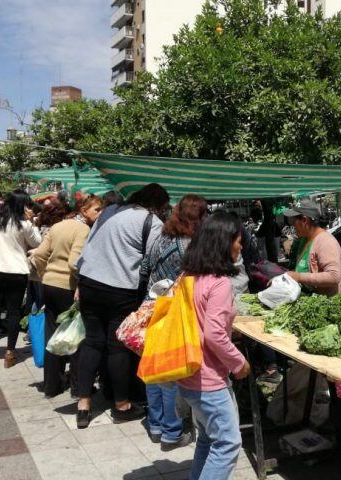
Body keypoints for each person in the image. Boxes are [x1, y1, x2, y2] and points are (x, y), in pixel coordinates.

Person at [75, 183, 170, 429]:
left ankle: (83, 404)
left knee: (92, 341)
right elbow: (151, 261)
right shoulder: (152, 223)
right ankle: (122, 405)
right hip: (120, 289)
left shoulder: (110, 210)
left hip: (88, 282)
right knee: (117, 346)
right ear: (159, 204)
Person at [178, 211, 251, 480]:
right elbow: (215, 334)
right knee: (228, 443)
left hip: (188, 373)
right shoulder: (219, 283)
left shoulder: (188, 276)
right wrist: (239, 362)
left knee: (208, 439)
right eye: (238, 240)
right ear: (223, 242)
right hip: (208, 378)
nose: (240, 246)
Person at [145, 194, 208, 451]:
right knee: (171, 371)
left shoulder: (161, 237)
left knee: (155, 369)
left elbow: (144, 269)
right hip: (174, 311)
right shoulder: (190, 244)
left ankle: (156, 425)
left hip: (151, 307)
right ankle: (172, 432)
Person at [31, 195, 102, 398]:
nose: (99, 214)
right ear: (83, 210)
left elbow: (39, 254)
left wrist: (46, 273)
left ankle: (51, 385)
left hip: (49, 285)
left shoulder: (58, 226)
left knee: (53, 335)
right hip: (68, 287)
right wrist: (83, 282)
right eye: (96, 209)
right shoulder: (83, 229)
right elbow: (74, 263)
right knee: (76, 336)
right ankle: (78, 387)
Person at [0, 190, 41, 367]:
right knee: (14, 313)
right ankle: (10, 354)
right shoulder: (24, 225)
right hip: (17, 272)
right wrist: (32, 223)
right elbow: (37, 243)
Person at [283, 199, 341, 297]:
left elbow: (333, 276)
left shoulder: (326, 242)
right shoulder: (304, 240)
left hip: (331, 306)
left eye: (294, 221)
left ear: (304, 220)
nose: (292, 226)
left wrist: (299, 277)